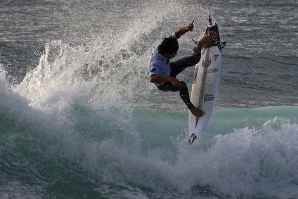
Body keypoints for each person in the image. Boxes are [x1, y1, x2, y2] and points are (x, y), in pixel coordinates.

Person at [148, 20, 205, 117]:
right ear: (168, 53)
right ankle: (192, 108)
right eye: (174, 53)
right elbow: (152, 79)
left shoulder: (165, 45)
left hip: (169, 69)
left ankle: (199, 45)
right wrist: (170, 79)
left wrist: (186, 29)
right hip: (163, 83)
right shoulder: (156, 62)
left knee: (195, 59)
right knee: (182, 86)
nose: (176, 54)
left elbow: (177, 34)